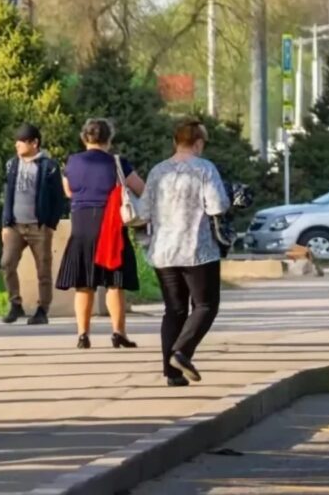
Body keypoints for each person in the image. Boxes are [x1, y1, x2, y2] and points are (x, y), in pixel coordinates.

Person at [139, 119, 231, 387]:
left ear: (175, 142)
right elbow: (217, 206)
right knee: (205, 305)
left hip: (163, 251)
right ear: (198, 143)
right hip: (196, 249)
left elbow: (144, 211)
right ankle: (182, 352)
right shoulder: (204, 169)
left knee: (174, 310)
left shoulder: (158, 171)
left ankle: (172, 373)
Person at [56, 118, 144, 349]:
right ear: (109, 138)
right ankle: (118, 332)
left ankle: (83, 335)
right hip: (110, 225)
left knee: (84, 283)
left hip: (82, 224)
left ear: (84, 137)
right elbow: (141, 189)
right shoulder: (118, 163)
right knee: (115, 282)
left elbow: (68, 191)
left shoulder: (71, 162)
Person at [0, 124, 67, 325]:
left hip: (39, 226)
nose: (17, 145)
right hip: (15, 225)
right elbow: (8, 195)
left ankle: (42, 309)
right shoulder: (12, 164)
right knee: (7, 263)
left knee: (43, 270)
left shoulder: (49, 166)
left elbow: (58, 198)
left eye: (21, 141)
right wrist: (5, 223)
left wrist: (50, 224)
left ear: (34, 143)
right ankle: (15, 304)